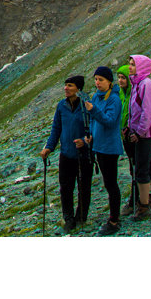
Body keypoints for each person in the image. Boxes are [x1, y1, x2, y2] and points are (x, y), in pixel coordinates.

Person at [40, 75, 92, 232]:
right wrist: (49, 147)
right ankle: (68, 218)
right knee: (66, 188)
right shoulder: (61, 106)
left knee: (84, 187)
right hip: (66, 154)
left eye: (70, 85)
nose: (66, 88)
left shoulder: (87, 105)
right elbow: (56, 128)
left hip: (84, 154)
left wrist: (86, 140)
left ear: (78, 88)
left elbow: (95, 126)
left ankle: (81, 216)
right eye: (65, 85)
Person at [82, 65, 122, 235]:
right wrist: (90, 134)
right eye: (96, 79)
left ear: (109, 81)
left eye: (101, 80)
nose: (97, 83)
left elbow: (110, 121)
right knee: (108, 182)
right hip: (99, 145)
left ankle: (114, 220)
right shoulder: (96, 97)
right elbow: (92, 120)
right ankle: (113, 216)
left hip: (110, 147)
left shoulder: (114, 99)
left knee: (111, 183)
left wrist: (94, 110)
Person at [126, 54, 151, 220]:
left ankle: (144, 206)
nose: (130, 67)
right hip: (142, 132)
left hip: (145, 134)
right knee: (150, 165)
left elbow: (149, 111)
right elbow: (134, 110)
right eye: (130, 64)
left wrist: (139, 132)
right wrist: (129, 126)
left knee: (141, 168)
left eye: (133, 65)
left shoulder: (145, 84)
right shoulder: (137, 83)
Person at [116, 63, 136, 215]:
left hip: (134, 134)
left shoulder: (133, 92)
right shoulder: (122, 94)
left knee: (136, 166)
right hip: (125, 134)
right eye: (119, 78)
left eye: (123, 78)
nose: (120, 81)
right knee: (133, 164)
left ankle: (137, 199)